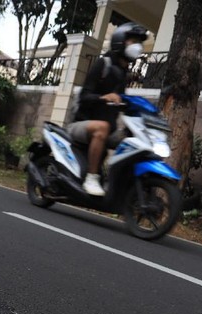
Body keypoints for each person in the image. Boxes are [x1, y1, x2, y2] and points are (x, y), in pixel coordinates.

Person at [67, 22, 149, 196]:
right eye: (132, 41)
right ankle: (92, 177)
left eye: (138, 43)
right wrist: (104, 97)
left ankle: (121, 186)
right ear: (120, 41)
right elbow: (84, 96)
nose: (136, 46)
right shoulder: (102, 64)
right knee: (102, 126)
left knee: (134, 141)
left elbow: (122, 101)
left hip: (109, 129)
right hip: (81, 124)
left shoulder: (123, 72)